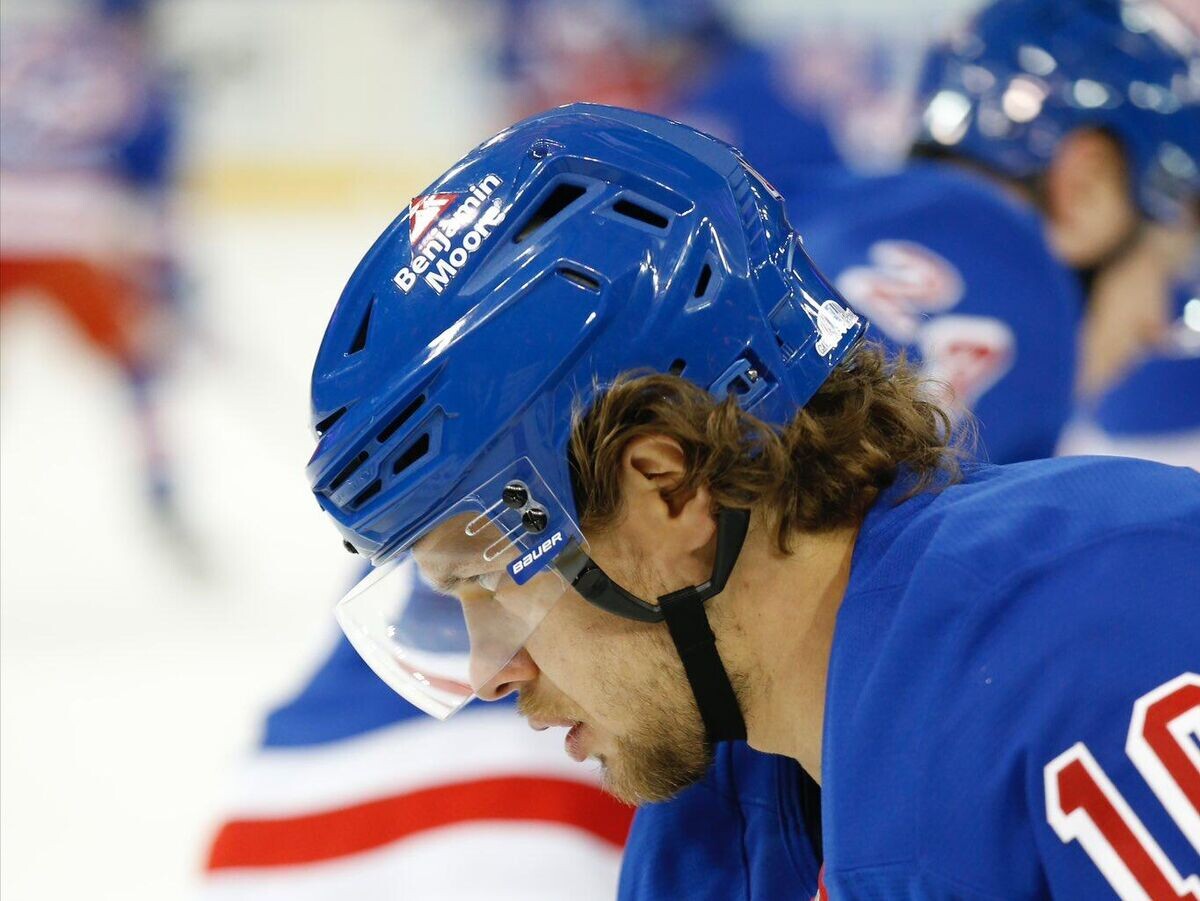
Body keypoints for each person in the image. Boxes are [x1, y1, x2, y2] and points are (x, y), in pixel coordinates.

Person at [305, 103, 1200, 899]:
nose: (492, 672)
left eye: (491, 580)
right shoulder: (704, 840)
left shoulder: (1108, 637)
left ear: (668, 488)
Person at [621, 0, 1200, 896]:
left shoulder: (811, 233)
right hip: (530, 779)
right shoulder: (1004, 319)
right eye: (1163, 272)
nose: (1151, 323)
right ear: (1084, 190)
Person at [0, 0, 186, 530]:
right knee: (138, 361)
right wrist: (167, 283)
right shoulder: (135, 73)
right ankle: (161, 483)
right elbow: (153, 193)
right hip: (70, 235)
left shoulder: (17, 43)